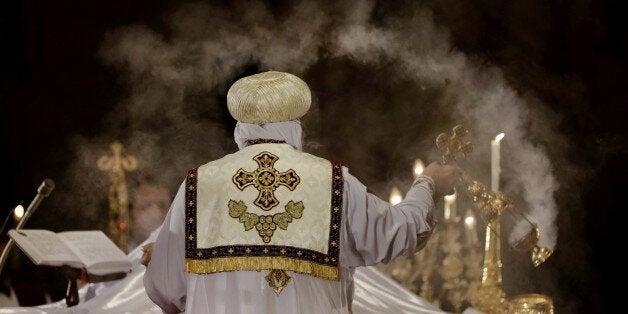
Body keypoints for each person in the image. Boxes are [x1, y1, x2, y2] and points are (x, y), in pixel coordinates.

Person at [143, 71, 459, 314]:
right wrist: (427, 184)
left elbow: (166, 289)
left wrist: (168, 259)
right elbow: (399, 232)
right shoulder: (333, 180)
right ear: (296, 126)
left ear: (240, 128)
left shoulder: (199, 184)